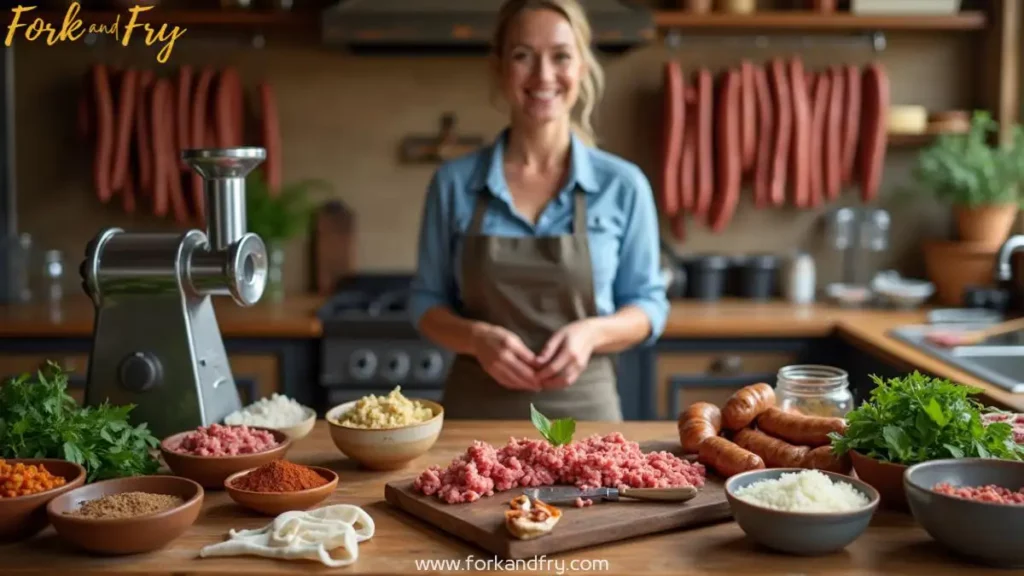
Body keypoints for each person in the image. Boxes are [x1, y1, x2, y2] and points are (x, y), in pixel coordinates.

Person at [408, 0, 668, 422]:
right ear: (499, 67)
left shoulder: (623, 185)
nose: (543, 75)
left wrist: (591, 333)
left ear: (581, 66)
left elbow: (648, 305)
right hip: (474, 419)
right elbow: (426, 303)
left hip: (588, 416)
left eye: (560, 56)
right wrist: (476, 337)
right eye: (523, 56)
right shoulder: (453, 184)